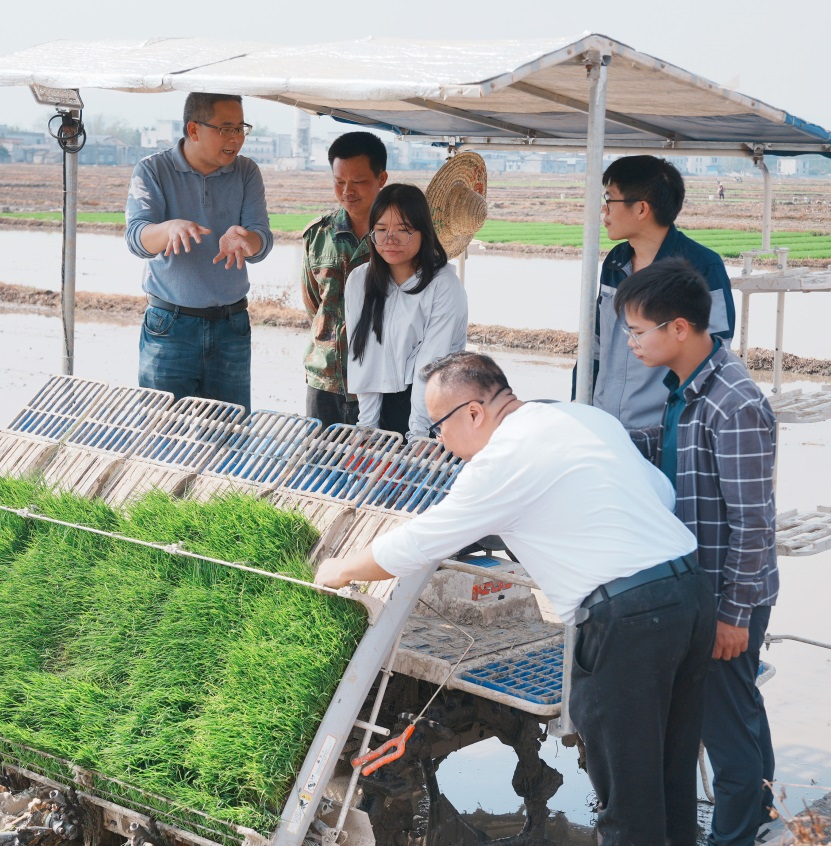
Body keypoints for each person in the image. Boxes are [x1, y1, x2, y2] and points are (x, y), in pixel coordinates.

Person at [316, 351, 716, 845]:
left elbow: (416, 544)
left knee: (628, 805)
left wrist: (340, 568)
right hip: (690, 595)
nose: (438, 441)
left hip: (628, 622)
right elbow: (661, 494)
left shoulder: (500, 460)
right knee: (670, 781)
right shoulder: (579, 416)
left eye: (438, 425)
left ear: (473, 413)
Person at [616, 258, 779, 846]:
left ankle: (734, 837)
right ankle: (760, 820)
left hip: (723, 593)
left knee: (725, 731)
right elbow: (670, 452)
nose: (631, 342)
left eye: (639, 331)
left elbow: (754, 522)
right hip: (702, 585)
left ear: (679, 328)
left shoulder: (732, 402)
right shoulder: (686, 388)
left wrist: (733, 615)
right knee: (739, 710)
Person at [125, 92, 273, 411]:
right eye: (226, 128)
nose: (236, 138)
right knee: (161, 435)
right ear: (194, 130)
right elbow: (137, 238)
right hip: (169, 326)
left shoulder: (247, 172)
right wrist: (169, 229)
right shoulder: (153, 170)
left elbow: (262, 240)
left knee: (228, 437)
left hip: (231, 326)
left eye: (240, 128)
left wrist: (246, 239)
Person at [573, 155, 737, 429]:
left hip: (661, 431)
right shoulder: (615, 262)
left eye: (609, 199)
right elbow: (596, 347)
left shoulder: (701, 266)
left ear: (640, 209)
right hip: (604, 428)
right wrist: (580, 412)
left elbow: (716, 358)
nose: (604, 211)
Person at [344, 183, 468, 439]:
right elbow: (363, 355)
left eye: (403, 230)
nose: (390, 239)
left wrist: (419, 433)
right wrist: (367, 426)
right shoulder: (359, 280)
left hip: (436, 409)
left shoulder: (444, 285)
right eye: (381, 230)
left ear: (424, 232)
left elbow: (431, 363)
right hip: (379, 405)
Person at [300, 132, 389, 427]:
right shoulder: (319, 235)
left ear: (382, 178)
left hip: (383, 384)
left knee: (381, 469)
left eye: (359, 181)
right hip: (326, 383)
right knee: (320, 468)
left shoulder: (400, 237)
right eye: (339, 182)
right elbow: (315, 305)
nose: (347, 191)